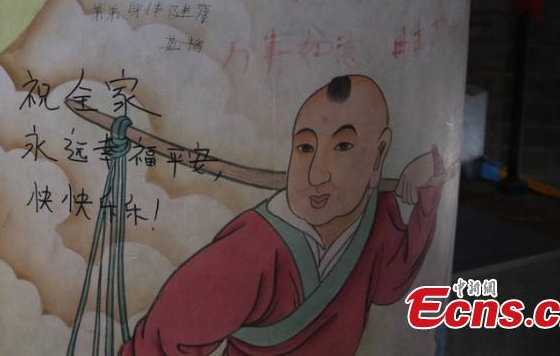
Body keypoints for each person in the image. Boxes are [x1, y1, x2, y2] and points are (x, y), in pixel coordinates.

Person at [120, 75, 451, 355]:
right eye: (305, 148)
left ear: (378, 156)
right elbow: (160, 342)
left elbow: (389, 286)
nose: (316, 175)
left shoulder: (376, 218)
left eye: (343, 147)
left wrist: (427, 186)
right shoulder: (252, 250)